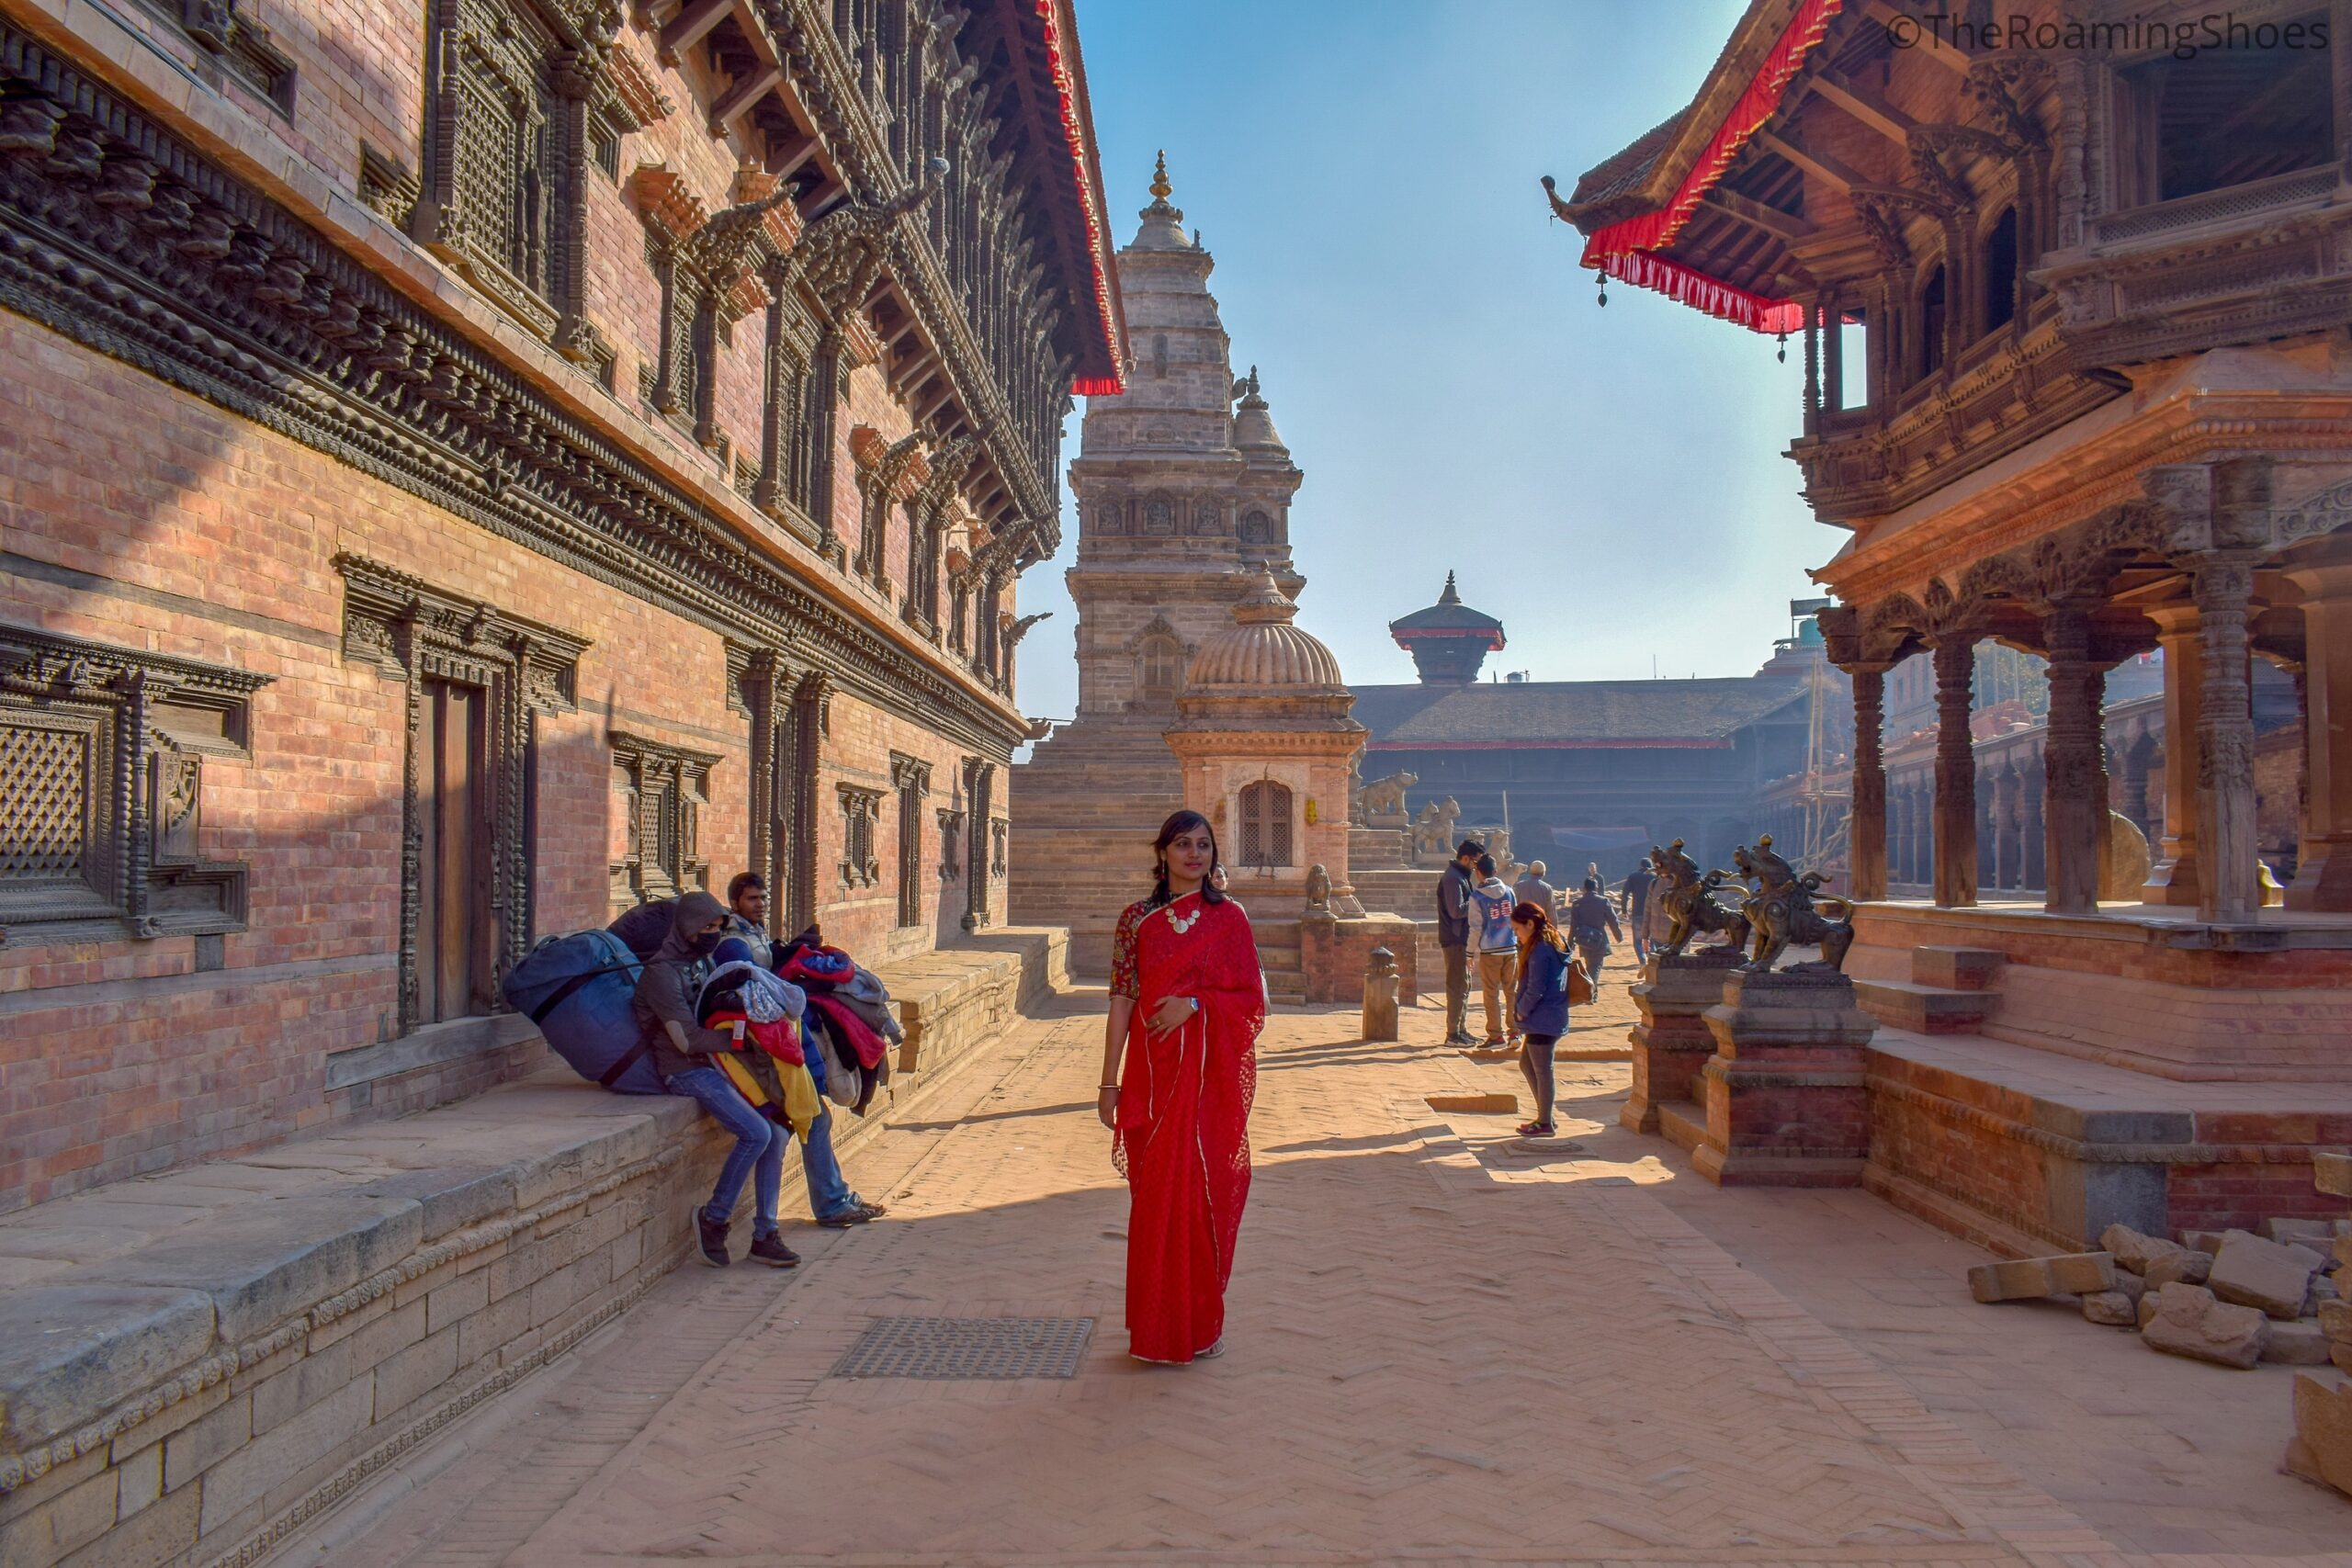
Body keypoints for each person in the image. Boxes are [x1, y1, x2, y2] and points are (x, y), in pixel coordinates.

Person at [1098, 809, 1266, 1365]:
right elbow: (1122, 1000)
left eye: (1204, 844)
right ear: (1163, 852)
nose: (1195, 854)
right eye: (1183, 844)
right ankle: (1153, 1328)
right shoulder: (1135, 920)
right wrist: (1108, 1081)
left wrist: (1196, 1003)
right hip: (1150, 1078)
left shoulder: (1230, 919)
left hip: (1203, 1083)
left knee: (1199, 1195)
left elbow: (1250, 1002)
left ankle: (1197, 1324)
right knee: (1152, 1202)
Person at [632, 892, 798, 1269]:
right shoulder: (662, 975)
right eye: (705, 927)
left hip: (718, 1063)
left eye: (716, 927)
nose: (711, 934)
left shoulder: (700, 963)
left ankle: (765, 1234)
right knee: (756, 1133)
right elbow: (686, 1038)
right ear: (686, 928)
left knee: (778, 1134)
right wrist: (742, 1039)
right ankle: (714, 1218)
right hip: (685, 1070)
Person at [720, 873, 888, 1230]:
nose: (760, 904)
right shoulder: (733, 944)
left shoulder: (754, 934)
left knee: (810, 1118)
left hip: (777, 1034)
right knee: (812, 1118)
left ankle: (831, 1199)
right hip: (758, 1044)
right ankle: (827, 1205)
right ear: (736, 903)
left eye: (763, 898)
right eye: (752, 899)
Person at [1510, 899, 1570, 1137]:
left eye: (1517, 929)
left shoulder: (1541, 950)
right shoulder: (1553, 941)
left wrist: (1521, 1011)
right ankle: (1545, 1115)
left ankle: (1545, 1122)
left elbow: (1536, 988)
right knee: (1528, 1064)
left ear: (1529, 923)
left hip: (1542, 1016)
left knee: (1543, 1071)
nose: (1516, 935)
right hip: (1549, 1015)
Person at [1469, 853, 1520, 1049]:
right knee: (1511, 992)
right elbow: (1515, 919)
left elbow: (1475, 928)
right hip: (1510, 947)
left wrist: (1469, 953)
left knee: (1491, 994)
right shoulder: (1509, 892)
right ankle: (1515, 1033)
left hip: (1490, 951)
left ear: (1478, 873)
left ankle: (1495, 1035)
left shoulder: (1477, 897)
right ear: (1496, 871)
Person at [1435, 839, 1482, 1046]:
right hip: (1454, 939)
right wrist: (1477, 902)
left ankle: (1461, 1029)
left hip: (1462, 939)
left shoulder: (1461, 876)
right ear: (1465, 858)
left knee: (1464, 985)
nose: (1475, 867)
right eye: (1474, 862)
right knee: (1456, 986)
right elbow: (1456, 910)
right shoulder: (1453, 879)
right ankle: (1452, 1034)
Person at [1568, 876, 1624, 984]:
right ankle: (1589, 991)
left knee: (1590, 965)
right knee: (1595, 966)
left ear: (1584, 888)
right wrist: (1618, 936)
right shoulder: (1603, 901)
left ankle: (1591, 993)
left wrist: (1570, 944)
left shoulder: (1577, 903)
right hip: (1599, 939)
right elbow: (1613, 920)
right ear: (1597, 888)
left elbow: (1573, 926)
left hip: (1584, 939)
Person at [1619, 858, 1657, 964]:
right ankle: (1654, 962)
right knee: (1652, 940)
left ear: (1640, 866)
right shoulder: (1655, 877)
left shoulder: (1633, 876)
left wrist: (1624, 910)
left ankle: (1643, 961)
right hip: (1652, 914)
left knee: (1638, 941)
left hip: (1638, 913)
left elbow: (1625, 894)